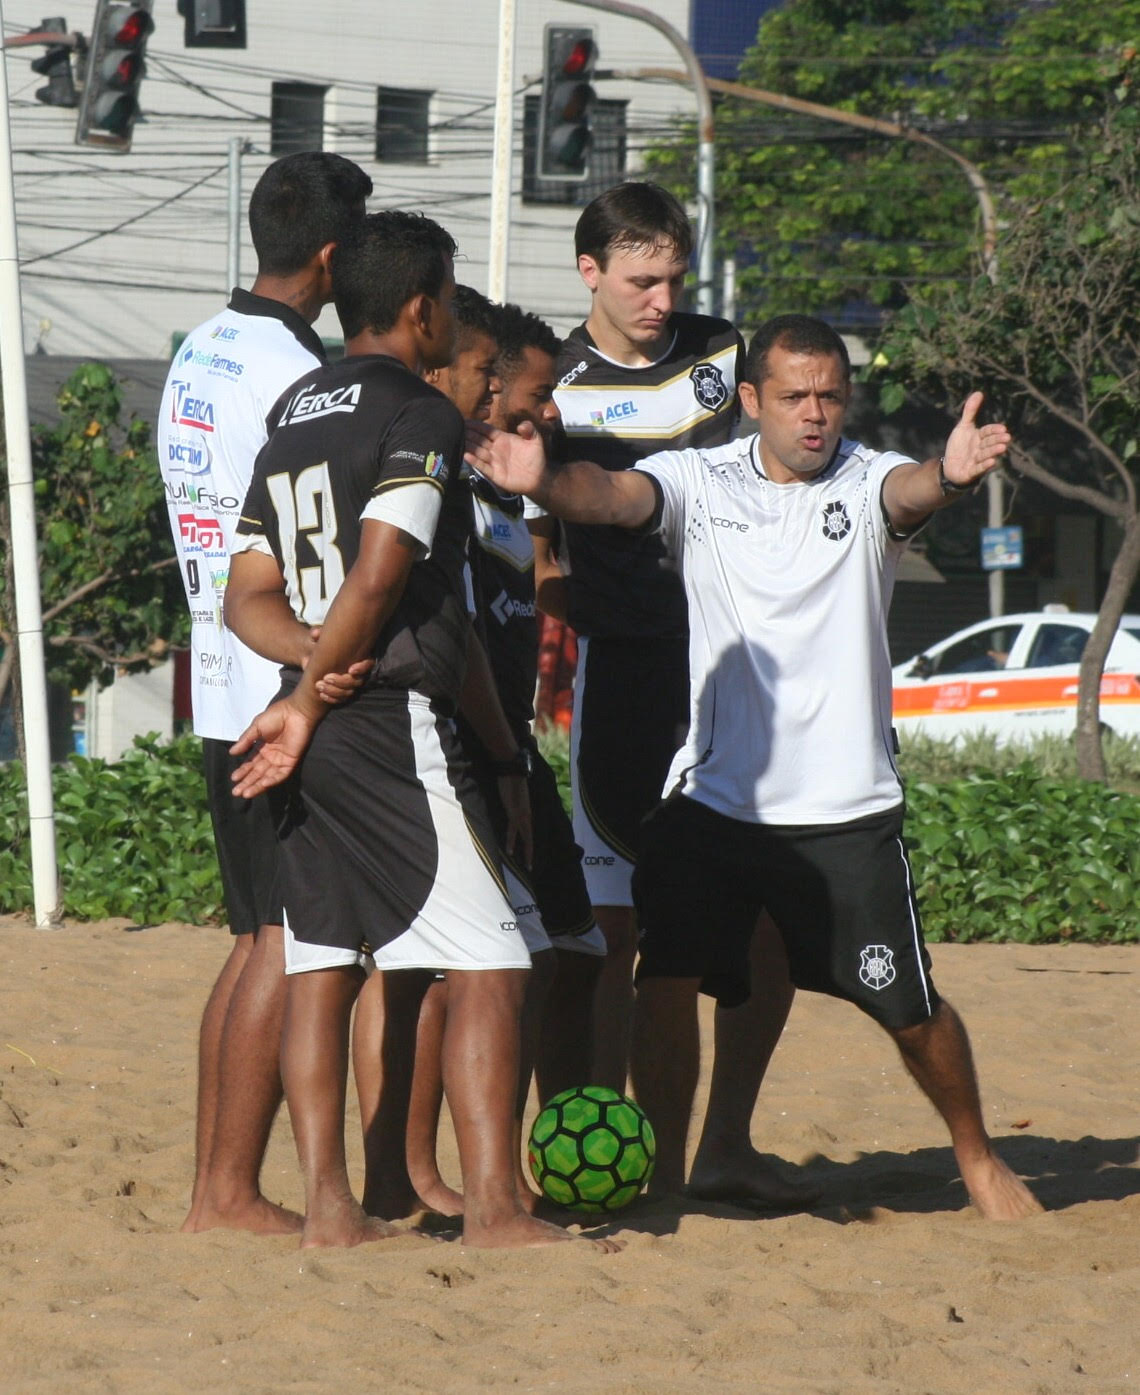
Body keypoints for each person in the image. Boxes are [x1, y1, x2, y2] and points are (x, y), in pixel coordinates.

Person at [465, 313, 1044, 1221]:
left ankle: (976, 1156)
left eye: (830, 396)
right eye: (794, 396)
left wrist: (951, 475)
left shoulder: (864, 476)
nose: (815, 414)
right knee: (666, 980)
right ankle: (665, 1180)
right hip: (714, 796)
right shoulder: (699, 475)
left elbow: (911, 491)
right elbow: (614, 496)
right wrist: (545, 480)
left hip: (845, 805)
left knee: (908, 1005)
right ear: (750, 402)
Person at [225, 211, 603, 1250]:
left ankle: (333, 1210)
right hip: (389, 723)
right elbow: (384, 569)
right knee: (494, 963)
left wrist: (305, 666)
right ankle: (493, 1209)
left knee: (322, 965)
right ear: (426, 307)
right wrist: (314, 695)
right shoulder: (421, 416)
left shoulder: (296, 408)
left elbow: (242, 592)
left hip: (321, 722)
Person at [542, 180, 810, 1207]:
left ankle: (723, 1146)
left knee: (764, 927)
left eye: (672, 278)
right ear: (592, 272)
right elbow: (530, 513)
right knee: (611, 937)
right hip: (626, 675)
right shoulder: (554, 379)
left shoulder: (722, 352)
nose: (660, 299)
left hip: (736, 669)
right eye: (640, 279)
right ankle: (606, 1154)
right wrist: (552, 593)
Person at [155, 151, 371, 1234]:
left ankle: (215, 1189)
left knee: (255, 942)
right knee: (287, 944)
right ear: (332, 258)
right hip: (277, 689)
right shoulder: (298, 376)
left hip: (215, 678)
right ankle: (230, 1192)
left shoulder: (201, 347)